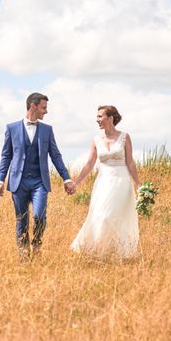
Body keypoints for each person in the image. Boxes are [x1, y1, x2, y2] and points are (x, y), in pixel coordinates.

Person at [0, 92, 76, 261]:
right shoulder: (12, 128)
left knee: (39, 216)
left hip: (40, 182)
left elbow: (55, 155)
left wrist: (66, 178)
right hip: (19, 182)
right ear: (33, 106)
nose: (45, 112)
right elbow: (6, 155)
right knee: (21, 220)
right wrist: (0, 179)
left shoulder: (47, 130)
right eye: (43, 108)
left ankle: (37, 244)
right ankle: (24, 254)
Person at [71, 105, 140, 260]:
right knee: (100, 215)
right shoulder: (96, 140)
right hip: (103, 183)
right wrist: (76, 182)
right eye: (97, 117)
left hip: (122, 182)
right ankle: (97, 251)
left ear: (111, 118)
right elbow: (89, 164)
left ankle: (119, 253)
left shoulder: (124, 137)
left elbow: (130, 163)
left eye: (100, 116)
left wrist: (139, 183)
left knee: (115, 217)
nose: (97, 120)